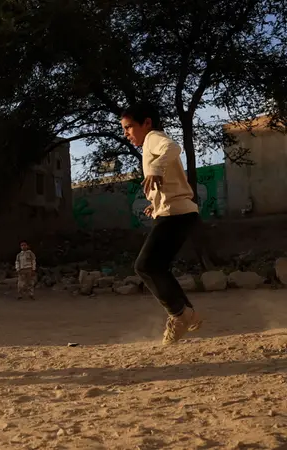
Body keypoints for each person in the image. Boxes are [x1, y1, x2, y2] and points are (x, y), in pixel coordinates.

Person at [120, 102, 202, 345]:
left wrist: (155, 167)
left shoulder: (153, 138)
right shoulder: (149, 144)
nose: (126, 133)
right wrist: (154, 205)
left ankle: (181, 316)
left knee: (145, 266)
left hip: (176, 214)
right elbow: (169, 185)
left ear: (146, 123)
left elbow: (173, 147)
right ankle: (186, 313)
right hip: (177, 212)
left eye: (129, 127)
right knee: (157, 267)